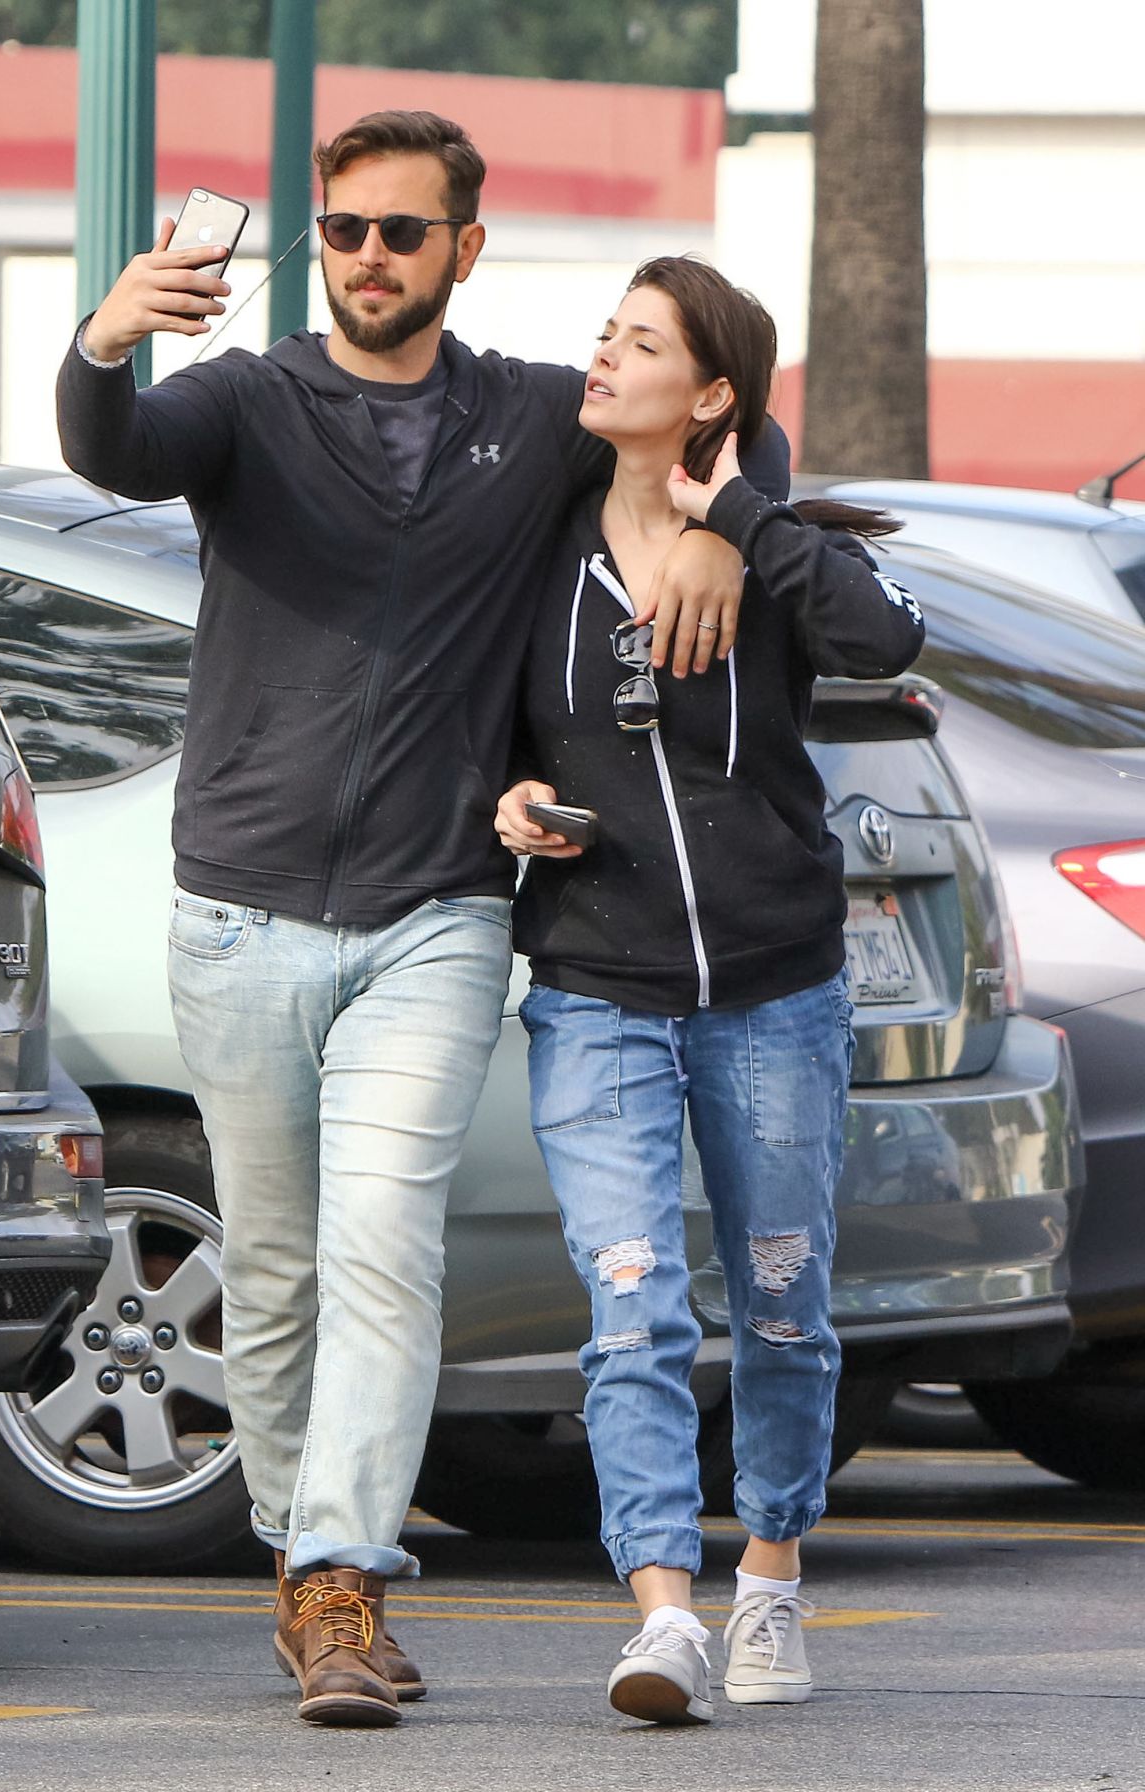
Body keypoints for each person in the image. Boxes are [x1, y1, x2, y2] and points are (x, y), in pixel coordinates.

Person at [56, 112, 791, 1727]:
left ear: (466, 246)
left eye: (401, 233)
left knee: (385, 1246)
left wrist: (731, 538)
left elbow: (722, 405)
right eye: (340, 233)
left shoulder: (529, 414)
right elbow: (110, 448)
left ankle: (338, 1581)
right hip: (240, 909)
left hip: (439, 910)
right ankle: (299, 1559)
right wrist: (107, 337)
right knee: (275, 1275)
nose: (367, 259)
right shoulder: (249, 403)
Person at [494, 255, 924, 1726]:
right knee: (634, 1313)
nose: (602, 360)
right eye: (604, 336)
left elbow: (885, 643)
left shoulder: (765, 544)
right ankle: (663, 1613)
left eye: (641, 344)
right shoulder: (537, 550)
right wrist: (513, 803)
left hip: (774, 990)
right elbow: (483, 732)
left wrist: (737, 520)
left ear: (716, 393)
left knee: (788, 1308)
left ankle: (774, 1583)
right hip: (594, 988)